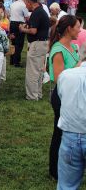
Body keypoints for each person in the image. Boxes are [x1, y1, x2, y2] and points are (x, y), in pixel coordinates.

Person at [47, 15, 80, 180]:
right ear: (69, 29)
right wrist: (79, 66)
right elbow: (59, 77)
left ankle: (68, 166)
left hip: (73, 95)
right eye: (78, 27)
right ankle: (55, 171)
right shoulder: (58, 49)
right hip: (62, 96)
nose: (80, 30)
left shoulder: (73, 47)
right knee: (59, 132)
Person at [56, 49, 86, 190]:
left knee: (66, 186)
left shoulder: (66, 75)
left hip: (70, 134)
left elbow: (62, 97)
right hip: (71, 133)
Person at [19, 0, 50, 101]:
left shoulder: (36, 13)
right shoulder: (41, 11)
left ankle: (32, 96)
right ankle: (38, 94)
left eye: (25, 3)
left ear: (29, 2)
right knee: (39, 70)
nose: (25, 6)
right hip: (43, 43)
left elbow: (33, 31)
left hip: (37, 44)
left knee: (32, 71)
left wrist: (23, 30)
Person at [9, 0, 30, 67]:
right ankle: (17, 62)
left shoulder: (13, 4)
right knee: (19, 43)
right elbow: (27, 17)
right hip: (20, 24)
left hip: (12, 23)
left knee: (13, 42)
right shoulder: (23, 5)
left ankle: (12, 60)